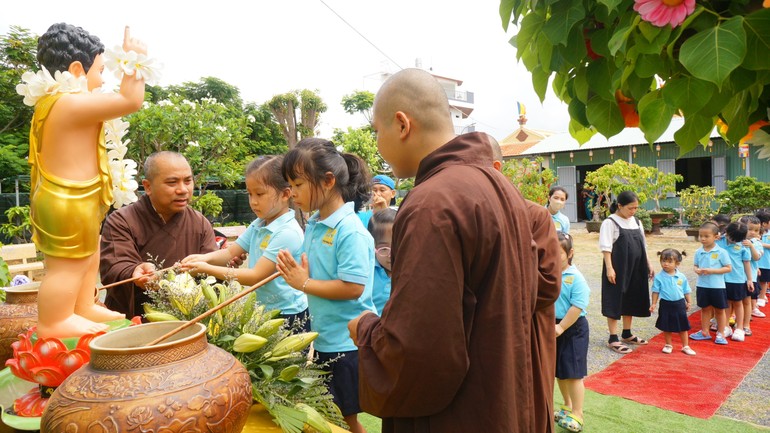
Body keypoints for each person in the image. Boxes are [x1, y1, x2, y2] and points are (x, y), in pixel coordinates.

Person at [348, 68, 540, 433]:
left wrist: (367, 329)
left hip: (456, 413)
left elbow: (421, 347)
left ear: (402, 124)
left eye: (377, 131)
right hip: (500, 394)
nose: (378, 144)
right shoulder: (501, 186)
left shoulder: (432, 202)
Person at [26, 24, 147, 338]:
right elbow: (130, 100)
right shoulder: (68, 103)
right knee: (67, 266)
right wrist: (135, 61)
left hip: (80, 198)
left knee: (88, 257)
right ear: (77, 69)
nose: (103, 79)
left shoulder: (63, 103)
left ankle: (80, 306)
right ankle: (55, 320)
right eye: (101, 70)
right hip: (67, 200)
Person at [275, 137, 375, 433]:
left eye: (298, 184)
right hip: (326, 340)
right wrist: (302, 274)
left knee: (345, 420)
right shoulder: (317, 222)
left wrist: (304, 282)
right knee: (332, 416)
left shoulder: (349, 230)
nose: (292, 193)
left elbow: (352, 287)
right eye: (290, 185)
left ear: (328, 181)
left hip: (348, 344)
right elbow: (322, 274)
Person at [179, 156, 308, 329]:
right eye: (250, 194)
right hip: (263, 309)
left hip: (289, 314)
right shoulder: (259, 223)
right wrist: (202, 259)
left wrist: (206, 269)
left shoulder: (287, 233)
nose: (253, 201)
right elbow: (230, 253)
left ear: (285, 194)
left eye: (260, 194)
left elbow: (256, 276)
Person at [489, 134, 560, 433]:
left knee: (527, 404)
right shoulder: (468, 212)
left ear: (496, 167)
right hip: (483, 332)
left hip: (527, 328)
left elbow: (548, 285)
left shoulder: (534, 214)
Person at [100, 151, 218, 318]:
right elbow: (114, 266)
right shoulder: (121, 221)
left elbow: (210, 271)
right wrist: (134, 271)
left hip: (186, 320)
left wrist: (225, 263)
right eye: (172, 182)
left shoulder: (199, 222)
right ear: (148, 186)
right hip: (134, 320)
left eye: (188, 181)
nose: (183, 190)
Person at [600, 190, 654, 354]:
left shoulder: (637, 222)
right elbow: (606, 248)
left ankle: (627, 333)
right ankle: (613, 337)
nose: (634, 211)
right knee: (615, 298)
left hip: (636, 266)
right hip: (618, 267)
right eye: (631, 208)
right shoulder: (610, 222)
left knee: (631, 296)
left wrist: (649, 264)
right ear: (620, 206)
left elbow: (643, 245)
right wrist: (610, 268)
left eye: (636, 208)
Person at [553, 232, 589, 433]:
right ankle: (566, 406)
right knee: (560, 371)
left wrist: (561, 327)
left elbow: (578, 306)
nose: (552, 256)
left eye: (557, 253)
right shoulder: (550, 273)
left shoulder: (575, 277)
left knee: (574, 373)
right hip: (555, 327)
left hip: (573, 327)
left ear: (570, 253)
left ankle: (578, 413)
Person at [690, 222, 732, 345]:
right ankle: (704, 332)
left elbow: (728, 268)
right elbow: (696, 265)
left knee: (720, 310)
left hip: (717, 286)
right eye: (700, 236)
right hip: (702, 285)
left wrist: (711, 271)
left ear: (716, 237)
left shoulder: (721, 252)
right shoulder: (699, 251)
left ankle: (721, 333)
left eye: (706, 236)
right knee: (705, 308)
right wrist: (696, 270)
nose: (702, 239)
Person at [649, 249, 695, 355]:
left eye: (669, 261)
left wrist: (689, 302)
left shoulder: (681, 276)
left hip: (679, 304)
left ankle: (686, 346)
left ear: (677, 263)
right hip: (665, 304)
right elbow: (655, 291)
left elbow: (686, 290)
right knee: (667, 325)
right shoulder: (659, 277)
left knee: (683, 326)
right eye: (663, 261)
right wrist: (654, 303)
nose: (665, 264)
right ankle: (668, 344)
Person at [716, 222, 753, 342]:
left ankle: (740, 328)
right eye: (731, 238)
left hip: (737, 279)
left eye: (736, 239)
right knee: (725, 303)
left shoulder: (743, 245)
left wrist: (749, 279)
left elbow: (747, 262)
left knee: (738, 303)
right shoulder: (719, 240)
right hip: (722, 279)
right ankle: (725, 326)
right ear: (726, 232)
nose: (732, 241)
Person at [368, 208, 397, 315]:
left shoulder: (411, 272)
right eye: (383, 249)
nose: (391, 255)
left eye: (397, 246)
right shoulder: (367, 272)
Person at [739, 215, 764, 323]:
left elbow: (756, 257)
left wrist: (752, 246)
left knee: (747, 300)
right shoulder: (738, 241)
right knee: (735, 300)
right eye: (750, 229)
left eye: (756, 230)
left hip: (750, 277)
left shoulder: (757, 243)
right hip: (737, 276)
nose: (753, 232)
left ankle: (746, 322)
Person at [756, 210, 770, 308]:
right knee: (757, 279)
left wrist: (761, 244)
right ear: (764, 223)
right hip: (756, 262)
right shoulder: (757, 233)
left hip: (766, 262)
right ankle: (760, 294)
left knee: (764, 280)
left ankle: (761, 297)